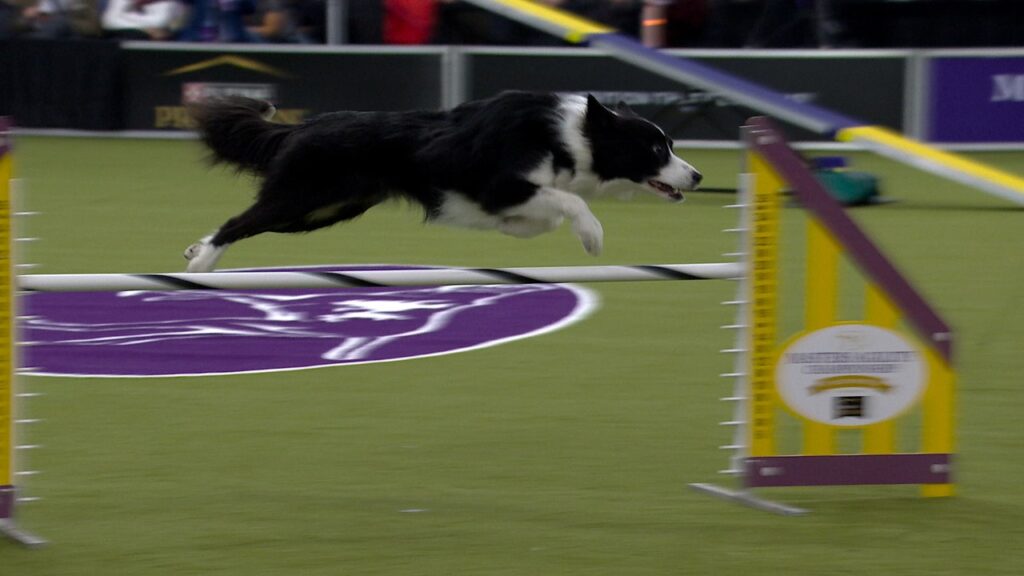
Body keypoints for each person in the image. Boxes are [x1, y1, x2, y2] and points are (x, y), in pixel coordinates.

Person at [101, 0, 186, 39]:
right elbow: (108, 21)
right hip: (127, 36)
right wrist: (144, 29)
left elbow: (161, 21)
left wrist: (125, 16)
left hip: (163, 39)